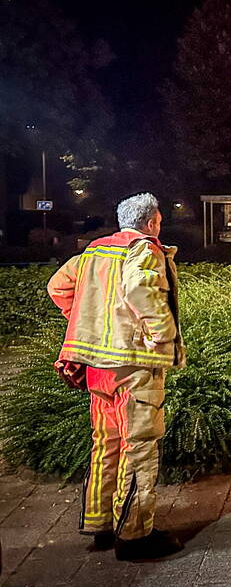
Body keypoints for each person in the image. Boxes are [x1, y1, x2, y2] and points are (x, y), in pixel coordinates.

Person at [47, 193, 185, 561]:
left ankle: (100, 526)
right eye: (158, 220)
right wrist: (162, 334)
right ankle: (136, 534)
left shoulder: (93, 252)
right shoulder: (144, 249)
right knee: (139, 445)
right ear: (152, 222)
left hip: (97, 366)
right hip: (135, 365)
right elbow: (141, 290)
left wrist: (87, 321)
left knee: (105, 443)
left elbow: (57, 287)